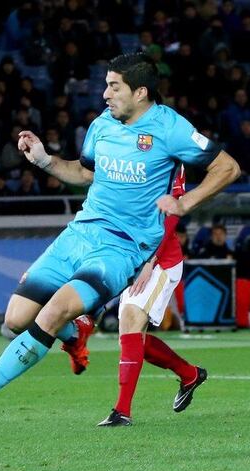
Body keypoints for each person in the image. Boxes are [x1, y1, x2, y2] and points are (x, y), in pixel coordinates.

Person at [0, 53, 240, 422]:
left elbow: (227, 167)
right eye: (106, 85)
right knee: (16, 319)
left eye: (113, 86)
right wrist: (44, 160)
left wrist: (185, 203)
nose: (105, 94)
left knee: (56, 311)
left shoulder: (171, 128)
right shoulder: (102, 124)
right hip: (80, 233)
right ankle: (74, 337)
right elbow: (85, 173)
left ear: (140, 92)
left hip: (122, 247)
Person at [99, 167, 207, 427]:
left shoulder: (169, 158)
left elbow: (172, 214)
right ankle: (189, 374)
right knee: (132, 338)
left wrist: (152, 259)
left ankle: (122, 411)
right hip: (134, 259)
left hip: (160, 260)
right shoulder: (122, 156)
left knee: (131, 324)